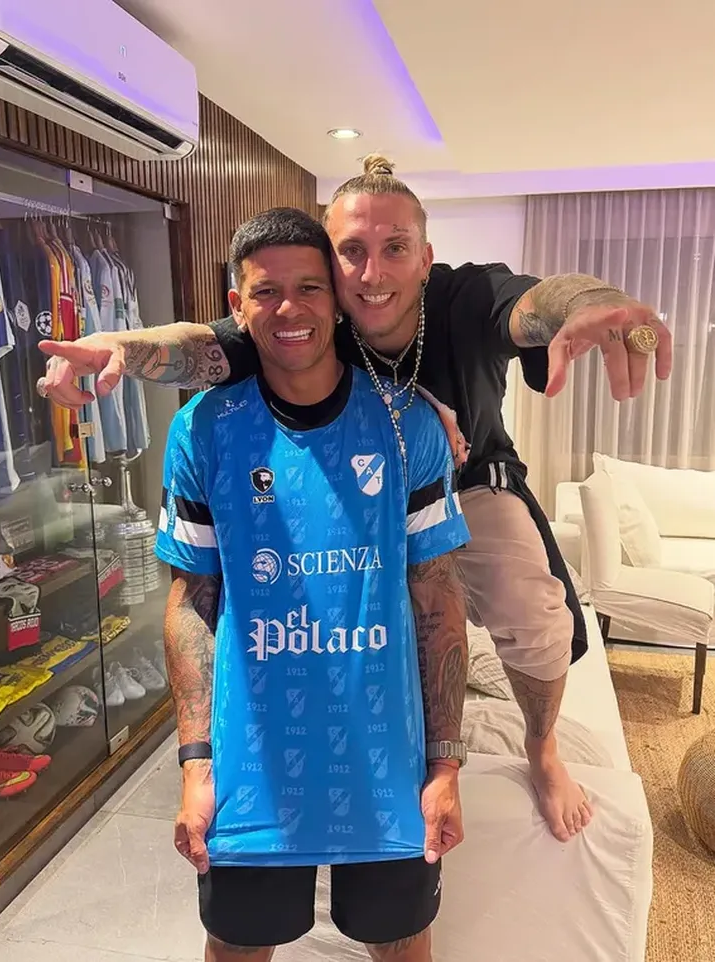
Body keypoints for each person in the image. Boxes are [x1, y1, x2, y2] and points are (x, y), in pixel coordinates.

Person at [37, 155, 673, 842]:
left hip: (468, 483)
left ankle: (543, 749)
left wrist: (589, 301)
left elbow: (537, 304)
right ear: (332, 265)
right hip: (352, 493)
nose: (373, 275)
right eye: (352, 253)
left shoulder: (463, 297)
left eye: (395, 249)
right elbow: (203, 345)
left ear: (425, 257)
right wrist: (119, 346)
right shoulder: (315, 316)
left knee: (533, 610)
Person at [156, 207, 471, 962]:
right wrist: (196, 765)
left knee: (401, 947)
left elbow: (438, 601)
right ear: (236, 306)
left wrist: (445, 765)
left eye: (308, 287)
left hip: (388, 764)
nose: (289, 309)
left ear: (335, 299)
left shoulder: (407, 426)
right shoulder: (202, 430)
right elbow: (190, 603)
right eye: (265, 291)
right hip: (251, 767)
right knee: (237, 948)